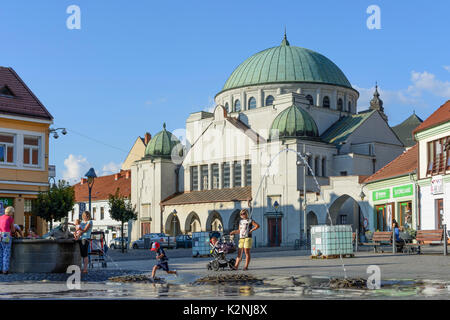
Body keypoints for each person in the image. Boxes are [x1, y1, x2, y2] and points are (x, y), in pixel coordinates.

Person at [0, 206, 15, 274]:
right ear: (10, 212)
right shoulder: (10, 218)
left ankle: (0, 269)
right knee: (6, 253)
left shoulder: (0, 217)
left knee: (1, 253)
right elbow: (13, 229)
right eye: (13, 212)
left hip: (0, 235)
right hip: (6, 235)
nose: (13, 213)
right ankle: (5, 270)